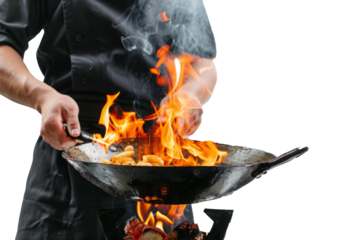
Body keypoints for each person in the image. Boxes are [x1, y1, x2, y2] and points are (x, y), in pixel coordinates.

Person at [0, 0, 217, 239]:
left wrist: (189, 94)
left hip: (158, 163)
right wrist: (43, 97)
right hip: (68, 153)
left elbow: (203, 63)